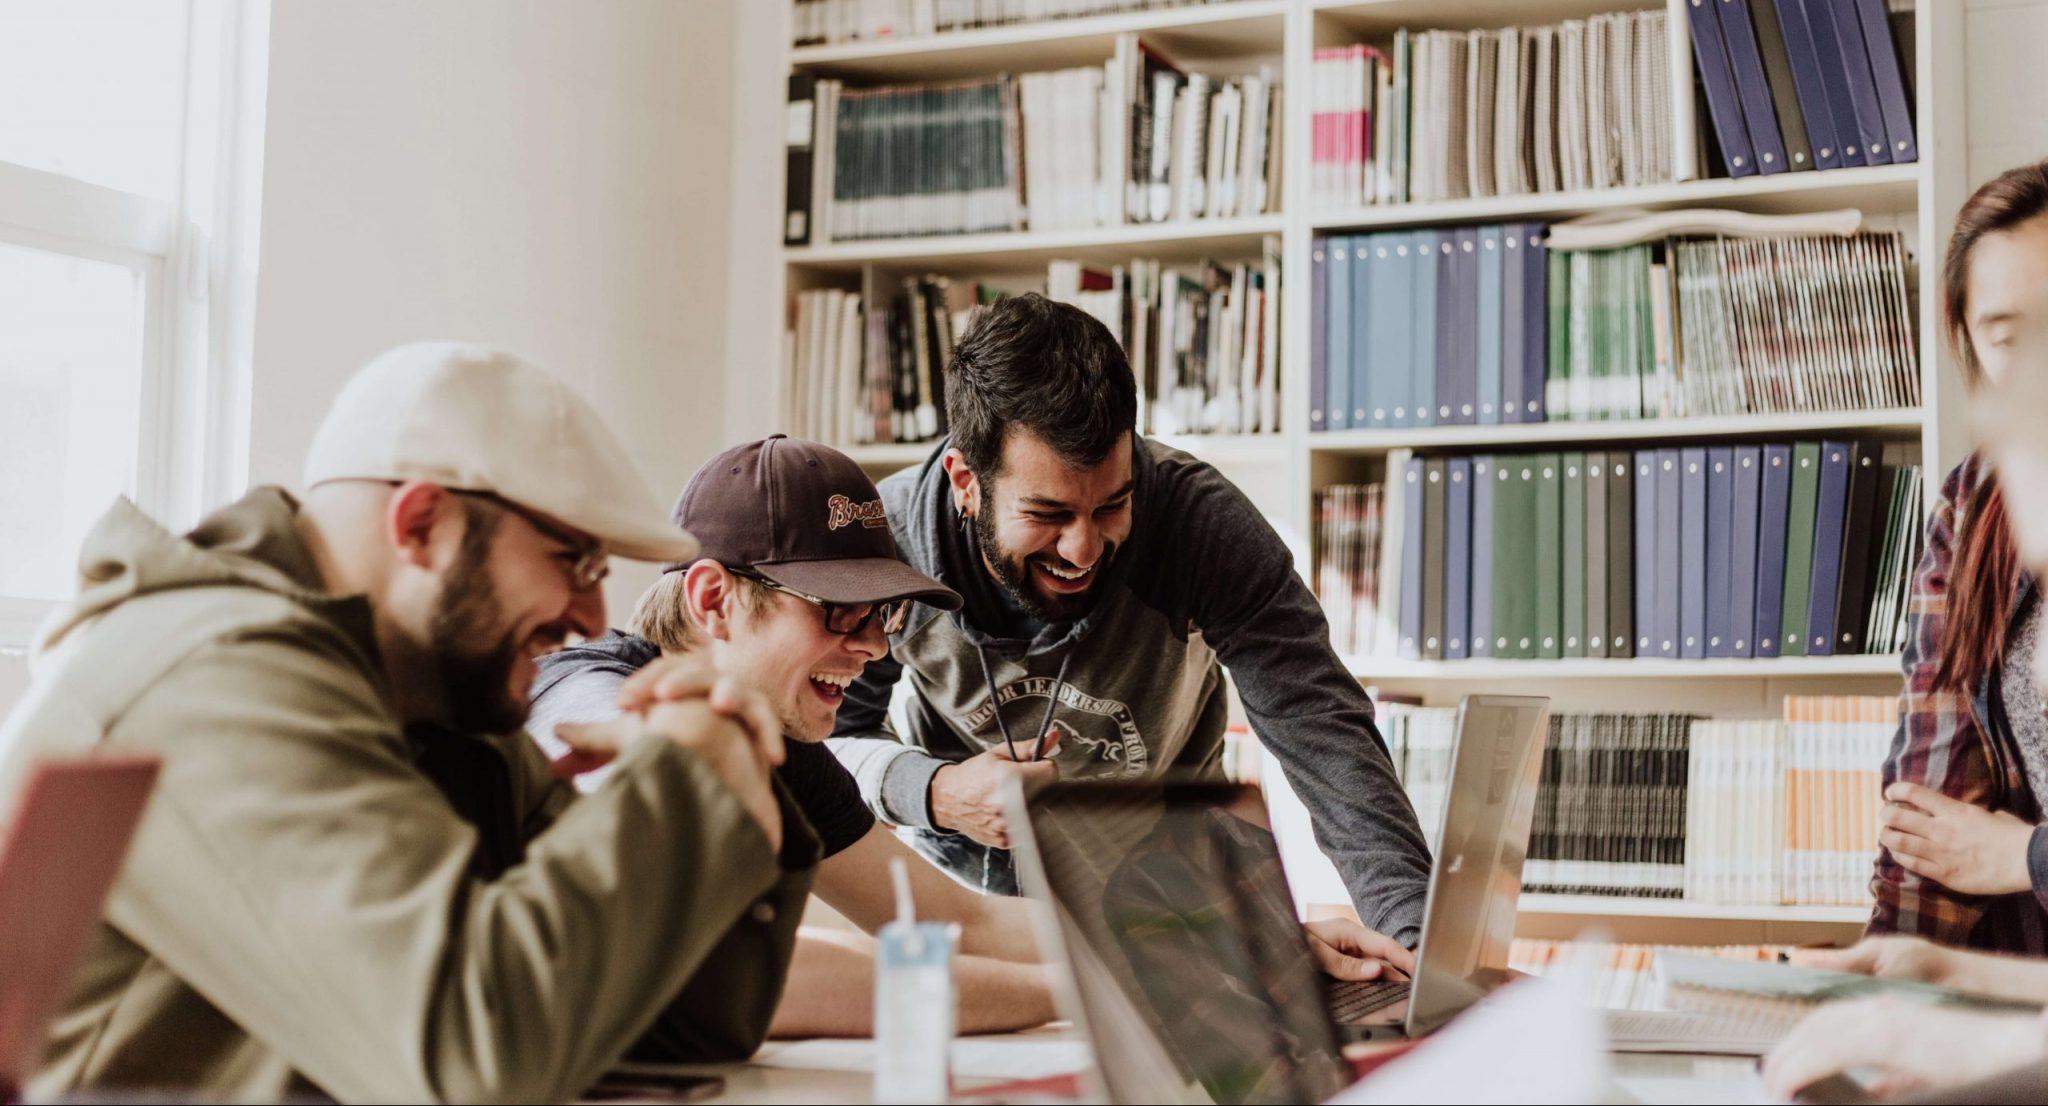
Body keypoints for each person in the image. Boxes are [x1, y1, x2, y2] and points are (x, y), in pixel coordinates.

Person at [1, 343, 815, 1103]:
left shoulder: (435, 701)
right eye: (573, 560)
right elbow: (471, 1058)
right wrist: (684, 782)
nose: (593, 614)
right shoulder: (213, 678)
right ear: (422, 523)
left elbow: (671, 1027)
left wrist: (733, 780)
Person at [827, 292, 1433, 962]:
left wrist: (1417, 949)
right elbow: (826, 745)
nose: (1083, 549)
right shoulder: (888, 543)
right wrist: (934, 792)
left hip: (1172, 902)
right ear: (966, 480)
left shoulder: (1200, 524)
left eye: (1112, 505)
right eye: (1048, 514)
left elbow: (1322, 729)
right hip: (969, 914)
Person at [525, 434, 1056, 1037]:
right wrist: (1076, 995)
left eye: (881, 614)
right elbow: (725, 971)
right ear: (713, 600)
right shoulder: (586, 700)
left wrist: (1147, 949)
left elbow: (959, 923)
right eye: (839, 608)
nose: (875, 647)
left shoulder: (776, 744)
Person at [1870, 159, 2048, 953]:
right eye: (2011, 338)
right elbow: (1930, 810)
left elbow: (1990, 850)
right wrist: (1887, 973)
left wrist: (2023, 855)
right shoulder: (1976, 505)